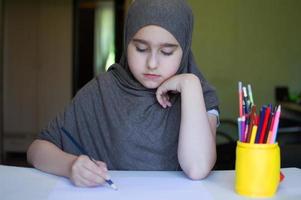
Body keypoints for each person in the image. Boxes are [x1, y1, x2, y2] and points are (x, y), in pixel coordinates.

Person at [27, 0, 219, 187]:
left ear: (184, 50)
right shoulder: (102, 90)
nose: (152, 63)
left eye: (166, 52)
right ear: (127, 43)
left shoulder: (198, 95)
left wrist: (190, 83)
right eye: (141, 49)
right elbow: (37, 150)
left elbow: (197, 168)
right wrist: (70, 166)